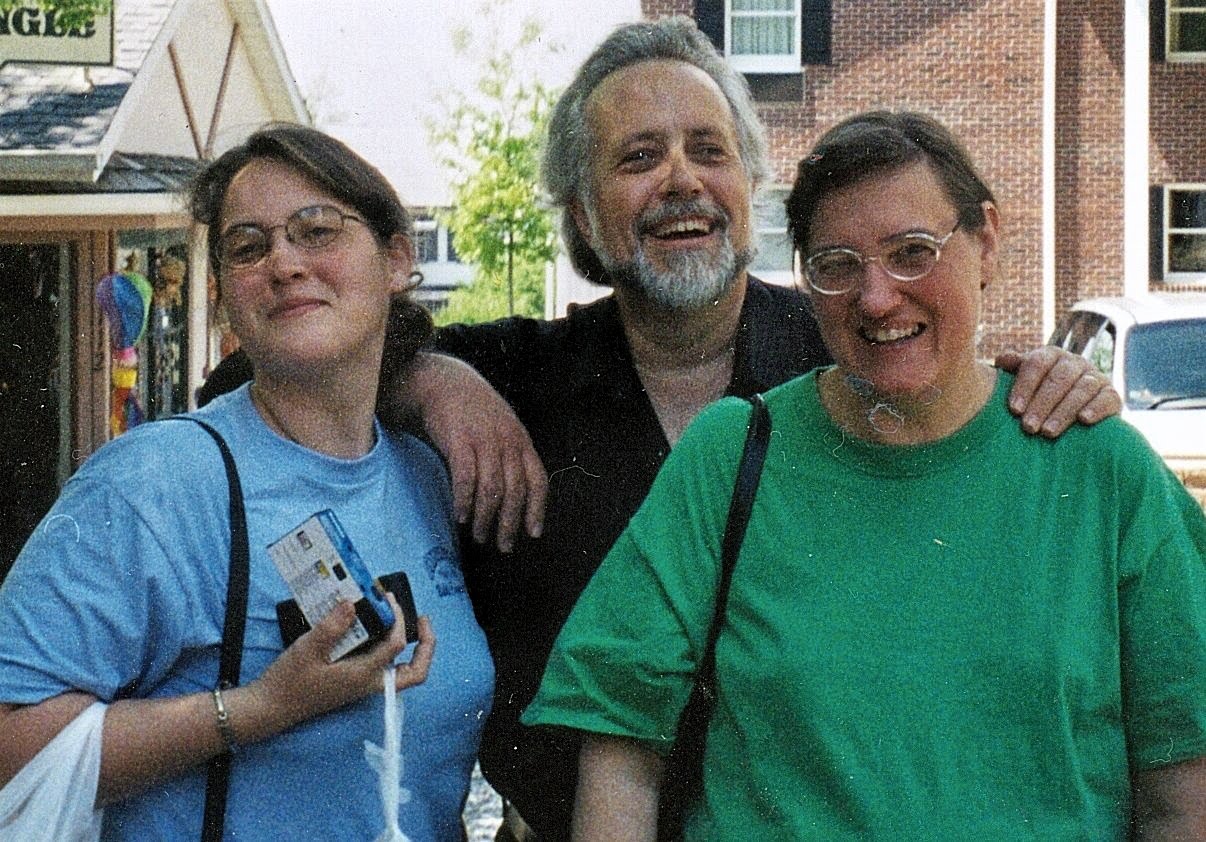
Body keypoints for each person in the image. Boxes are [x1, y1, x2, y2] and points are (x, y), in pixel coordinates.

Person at [199, 18, 1121, 841]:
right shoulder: (517, 379)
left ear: (749, 185)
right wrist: (424, 378)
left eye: (708, 150)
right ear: (583, 214)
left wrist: (1054, 383)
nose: (682, 180)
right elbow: (243, 380)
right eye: (639, 157)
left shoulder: (845, 353)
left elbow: (959, 398)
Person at [522, 110, 1206, 840]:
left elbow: (1183, 792)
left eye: (913, 252)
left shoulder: (1100, 469)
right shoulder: (734, 453)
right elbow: (620, 748)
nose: (877, 297)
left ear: (987, 242)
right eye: (837, 265)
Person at [0, 125, 493, 840]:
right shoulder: (158, 480)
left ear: (396, 259)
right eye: (248, 247)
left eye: (316, 231)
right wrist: (262, 707)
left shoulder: (427, 477)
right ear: (225, 296)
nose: (284, 263)